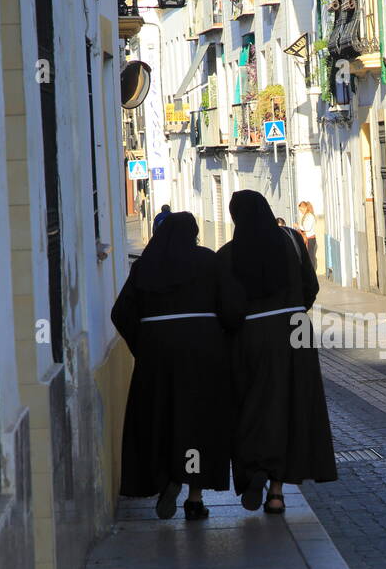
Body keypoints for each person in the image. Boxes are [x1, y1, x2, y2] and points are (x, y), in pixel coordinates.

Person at [110, 211, 239, 520]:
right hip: (202, 354)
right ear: (193, 234)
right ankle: (194, 498)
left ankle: (168, 479)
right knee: (197, 424)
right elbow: (232, 309)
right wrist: (220, 337)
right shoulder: (209, 261)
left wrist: (144, 346)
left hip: (157, 356)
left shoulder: (145, 266)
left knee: (163, 419)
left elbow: (120, 313)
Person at [218, 190, 337, 513]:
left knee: (250, 407)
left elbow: (225, 306)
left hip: (249, 335)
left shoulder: (227, 254)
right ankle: (276, 492)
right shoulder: (292, 243)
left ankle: (255, 469)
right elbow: (310, 287)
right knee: (290, 409)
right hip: (295, 333)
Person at [297, 200, 319, 271]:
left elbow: (307, 228)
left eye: (301, 209)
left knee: (310, 256)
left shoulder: (309, 216)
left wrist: (298, 226)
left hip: (310, 239)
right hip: (307, 238)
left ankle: (311, 271)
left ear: (305, 208)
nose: (301, 211)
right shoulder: (306, 216)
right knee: (309, 256)